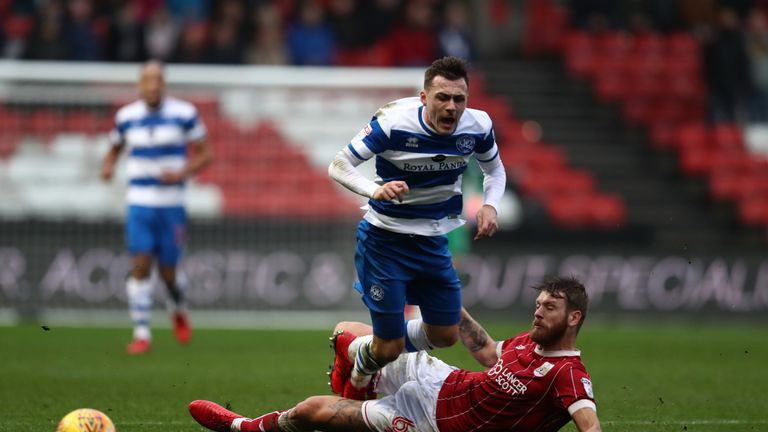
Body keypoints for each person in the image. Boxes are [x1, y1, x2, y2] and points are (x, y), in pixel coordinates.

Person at [188, 276, 602, 432]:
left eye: (549, 307)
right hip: (440, 381)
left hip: (431, 423)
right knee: (345, 333)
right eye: (538, 304)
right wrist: (446, 303)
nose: (538, 311)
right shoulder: (526, 343)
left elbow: (590, 426)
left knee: (310, 412)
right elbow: (487, 350)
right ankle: (359, 387)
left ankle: (240, 427)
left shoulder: (568, 375)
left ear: (573, 318)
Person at [327, 56, 506, 398]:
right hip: (384, 241)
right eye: (442, 97)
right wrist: (374, 190)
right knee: (389, 348)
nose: (451, 107)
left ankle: (354, 346)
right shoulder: (393, 122)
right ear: (424, 97)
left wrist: (490, 205)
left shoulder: (478, 126)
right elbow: (339, 164)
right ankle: (357, 369)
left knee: (445, 335)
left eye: (459, 99)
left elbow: (494, 170)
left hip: (433, 240)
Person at [101, 60, 212, 355]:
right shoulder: (126, 117)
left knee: (168, 272)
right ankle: (141, 333)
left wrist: (182, 173)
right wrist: (108, 166)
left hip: (172, 204)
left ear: (164, 84)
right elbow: (113, 148)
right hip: (139, 203)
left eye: (157, 80)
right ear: (140, 85)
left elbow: (205, 155)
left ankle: (178, 308)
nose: (152, 86)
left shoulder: (184, 113)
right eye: (147, 81)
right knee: (140, 264)